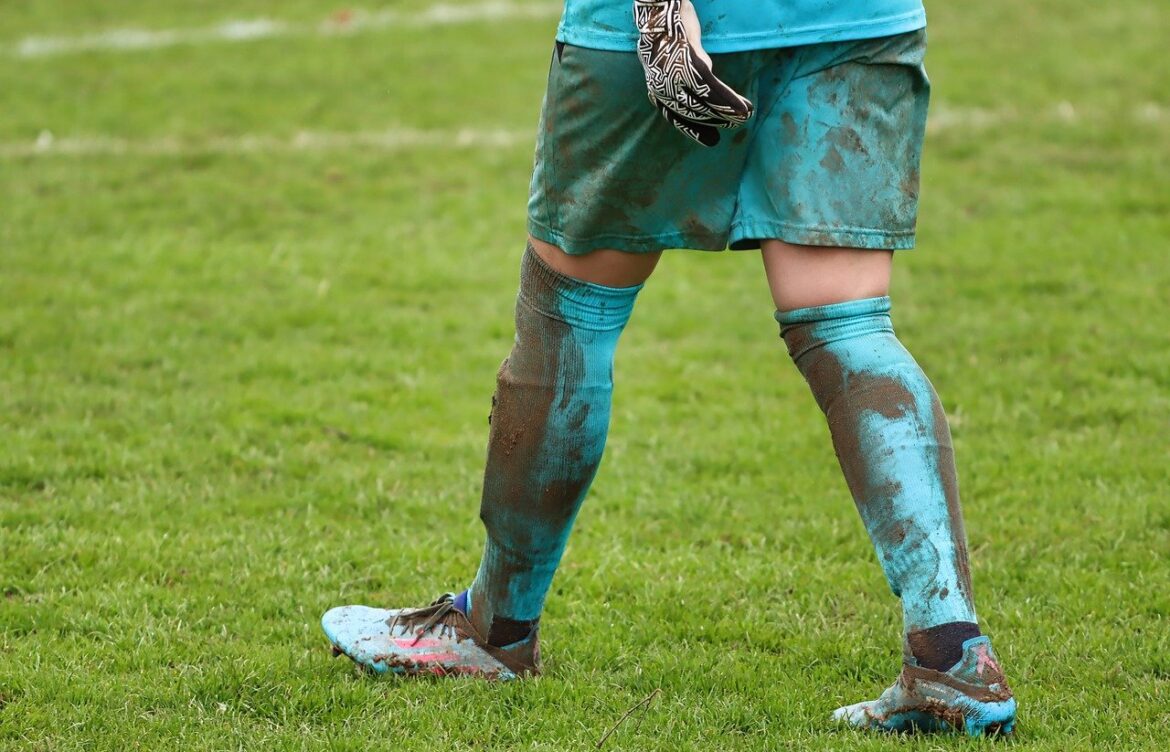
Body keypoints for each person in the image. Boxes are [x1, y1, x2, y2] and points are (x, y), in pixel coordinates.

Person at [322, 0, 1017, 736]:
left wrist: (660, 15)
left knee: (569, 317)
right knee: (848, 326)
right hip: (857, 19)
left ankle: (494, 632)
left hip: (690, 23)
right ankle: (952, 656)